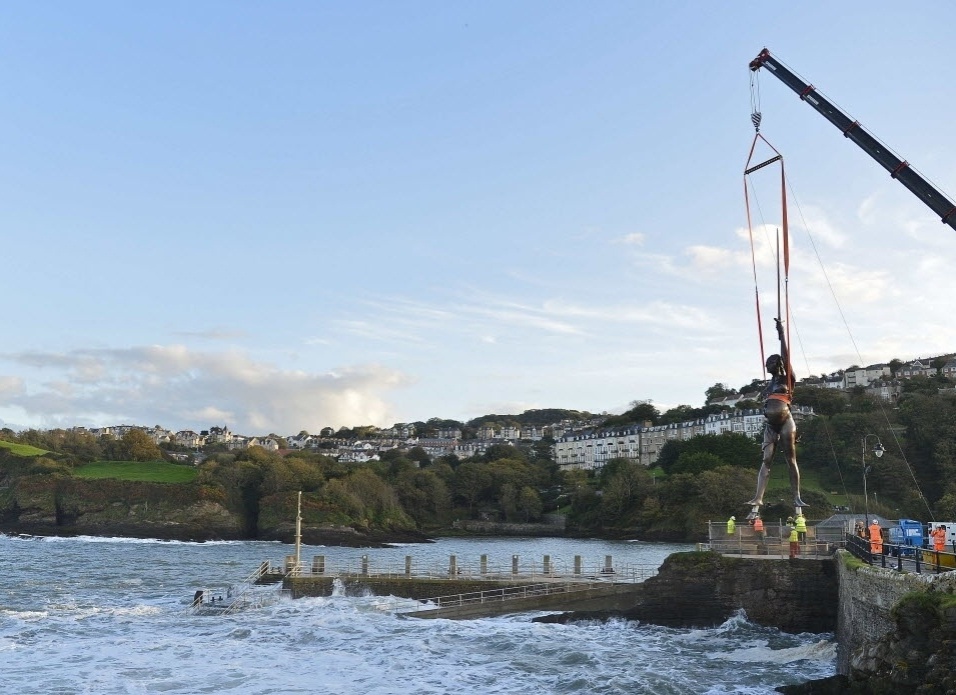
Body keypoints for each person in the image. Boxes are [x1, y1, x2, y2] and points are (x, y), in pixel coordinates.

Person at [746, 317, 805, 516]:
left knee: (791, 459)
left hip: (786, 421)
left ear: (777, 363)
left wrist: (781, 334)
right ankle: (758, 497)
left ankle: (796, 496)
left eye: (769, 363)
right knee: (766, 459)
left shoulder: (787, 377)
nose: (767, 366)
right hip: (771, 425)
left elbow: (786, 355)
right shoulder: (769, 384)